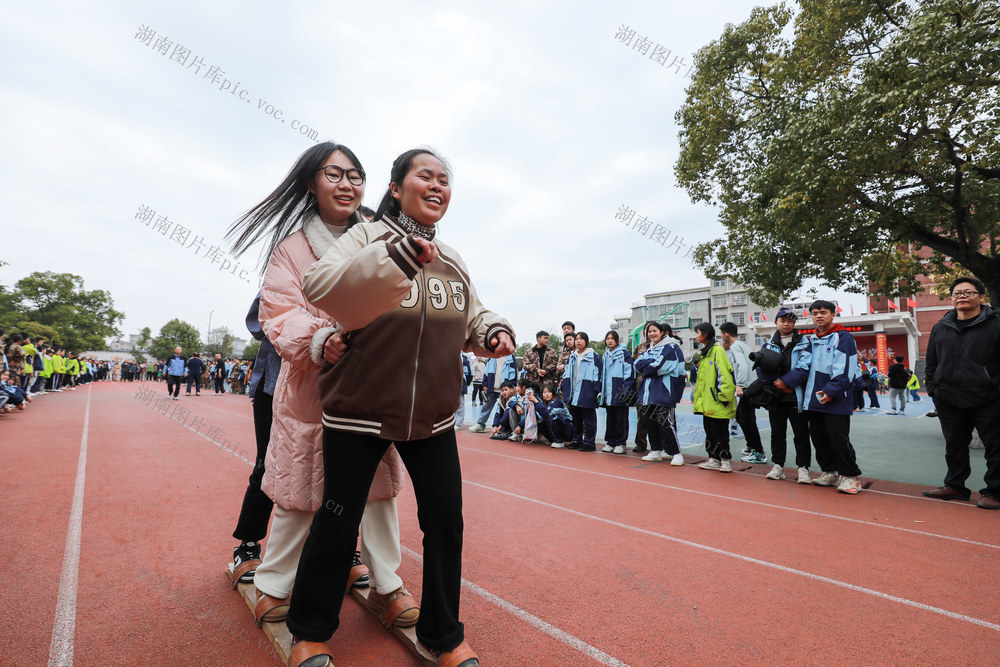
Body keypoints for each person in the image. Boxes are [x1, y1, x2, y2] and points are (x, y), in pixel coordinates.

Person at [288, 147, 514, 666]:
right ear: (395, 189)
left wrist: (493, 332)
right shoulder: (365, 237)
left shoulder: (454, 259)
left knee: (446, 522)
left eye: (445, 180)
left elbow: (473, 315)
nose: (437, 186)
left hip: (433, 417)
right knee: (339, 520)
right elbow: (319, 286)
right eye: (425, 176)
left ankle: (444, 635)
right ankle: (309, 629)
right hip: (359, 408)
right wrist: (397, 257)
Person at [225, 141, 414, 631]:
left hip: (371, 387)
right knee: (300, 490)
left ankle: (387, 582)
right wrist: (319, 339)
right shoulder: (290, 249)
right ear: (312, 181)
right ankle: (272, 583)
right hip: (312, 384)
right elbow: (278, 312)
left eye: (356, 175)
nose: (347, 184)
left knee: (377, 491)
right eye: (335, 174)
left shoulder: (381, 237)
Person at [921, 277, 1000, 510]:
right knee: (954, 445)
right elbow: (932, 362)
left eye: (968, 292)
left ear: (981, 297)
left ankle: (994, 491)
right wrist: (934, 389)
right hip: (948, 398)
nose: (962, 296)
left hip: (987, 398)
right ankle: (955, 486)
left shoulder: (995, 324)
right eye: (957, 293)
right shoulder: (941, 327)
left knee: (995, 446)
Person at [783, 300, 863, 494]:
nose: (819, 316)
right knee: (819, 438)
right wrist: (786, 382)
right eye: (815, 313)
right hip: (814, 399)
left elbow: (845, 367)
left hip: (835, 399)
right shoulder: (813, 340)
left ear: (833, 314)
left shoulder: (842, 337)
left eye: (823, 312)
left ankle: (851, 476)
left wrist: (831, 391)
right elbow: (804, 366)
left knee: (838, 438)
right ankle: (830, 472)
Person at [756, 309, 813, 483]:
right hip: (775, 397)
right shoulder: (768, 345)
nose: (786, 323)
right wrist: (778, 383)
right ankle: (778, 466)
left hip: (796, 397)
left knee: (801, 434)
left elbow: (805, 367)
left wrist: (788, 383)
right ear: (776, 322)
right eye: (782, 320)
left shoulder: (805, 342)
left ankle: (803, 469)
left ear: (794, 323)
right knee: (777, 433)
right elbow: (760, 368)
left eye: (790, 320)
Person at [634, 322, 686, 465]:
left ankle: (676, 453)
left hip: (664, 390)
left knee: (665, 423)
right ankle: (656, 450)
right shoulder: (650, 349)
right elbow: (637, 364)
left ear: (662, 332)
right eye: (649, 331)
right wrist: (648, 364)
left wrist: (647, 366)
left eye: (654, 331)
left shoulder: (671, 347)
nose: (651, 334)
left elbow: (660, 367)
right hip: (648, 392)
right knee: (650, 422)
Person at [692, 323, 736, 472]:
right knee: (710, 431)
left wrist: (724, 396)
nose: (696, 336)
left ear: (705, 334)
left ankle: (725, 460)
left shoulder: (717, 351)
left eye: (698, 333)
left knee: (720, 432)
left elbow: (724, 373)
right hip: (708, 402)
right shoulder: (706, 353)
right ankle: (714, 458)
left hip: (717, 401)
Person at [720, 322, 765, 463]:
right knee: (741, 416)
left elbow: (743, 366)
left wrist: (740, 384)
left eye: (721, 334)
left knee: (747, 420)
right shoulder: (743, 345)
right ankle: (751, 446)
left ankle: (758, 453)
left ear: (726, 334)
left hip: (748, 387)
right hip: (753, 384)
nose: (721, 337)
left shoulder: (735, 347)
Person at [560, 332, 601, 452]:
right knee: (576, 418)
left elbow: (597, 373)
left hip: (587, 390)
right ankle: (577, 440)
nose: (578, 341)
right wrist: (564, 385)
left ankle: (589, 442)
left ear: (586, 341)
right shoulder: (572, 356)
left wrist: (595, 389)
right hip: (573, 391)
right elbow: (566, 372)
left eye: (581, 339)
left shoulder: (593, 356)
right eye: (576, 339)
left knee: (588, 419)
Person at [600, 330, 634, 454]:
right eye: (607, 338)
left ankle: (621, 443)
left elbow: (629, 372)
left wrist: (625, 390)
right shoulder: (605, 355)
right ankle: (610, 442)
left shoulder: (624, 353)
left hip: (620, 391)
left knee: (621, 419)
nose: (609, 340)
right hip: (608, 393)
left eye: (612, 338)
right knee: (610, 419)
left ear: (616, 340)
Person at [468, 352, 516, 433]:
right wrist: (485, 383)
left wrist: (512, 386)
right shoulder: (492, 356)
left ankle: (502, 427)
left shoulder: (510, 357)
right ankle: (480, 424)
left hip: (504, 388)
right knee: (486, 406)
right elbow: (487, 371)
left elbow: (514, 372)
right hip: (492, 387)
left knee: (503, 408)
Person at [455, 353, 472, 429]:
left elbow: (469, 374)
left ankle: (458, 424)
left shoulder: (465, 360)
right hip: (450, 384)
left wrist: (466, 383)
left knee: (460, 404)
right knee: (450, 404)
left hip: (461, 384)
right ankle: (452, 422)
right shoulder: (449, 355)